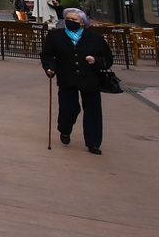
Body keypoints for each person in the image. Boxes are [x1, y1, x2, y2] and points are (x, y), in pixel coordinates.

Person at [39, 8, 113, 154]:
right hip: (67, 78)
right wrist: (49, 68)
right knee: (69, 109)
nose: (71, 22)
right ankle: (65, 129)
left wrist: (95, 60)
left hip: (90, 79)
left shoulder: (95, 38)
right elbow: (47, 55)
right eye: (68, 19)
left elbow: (108, 59)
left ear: (83, 23)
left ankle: (93, 143)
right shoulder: (55, 36)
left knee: (93, 111)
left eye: (75, 20)